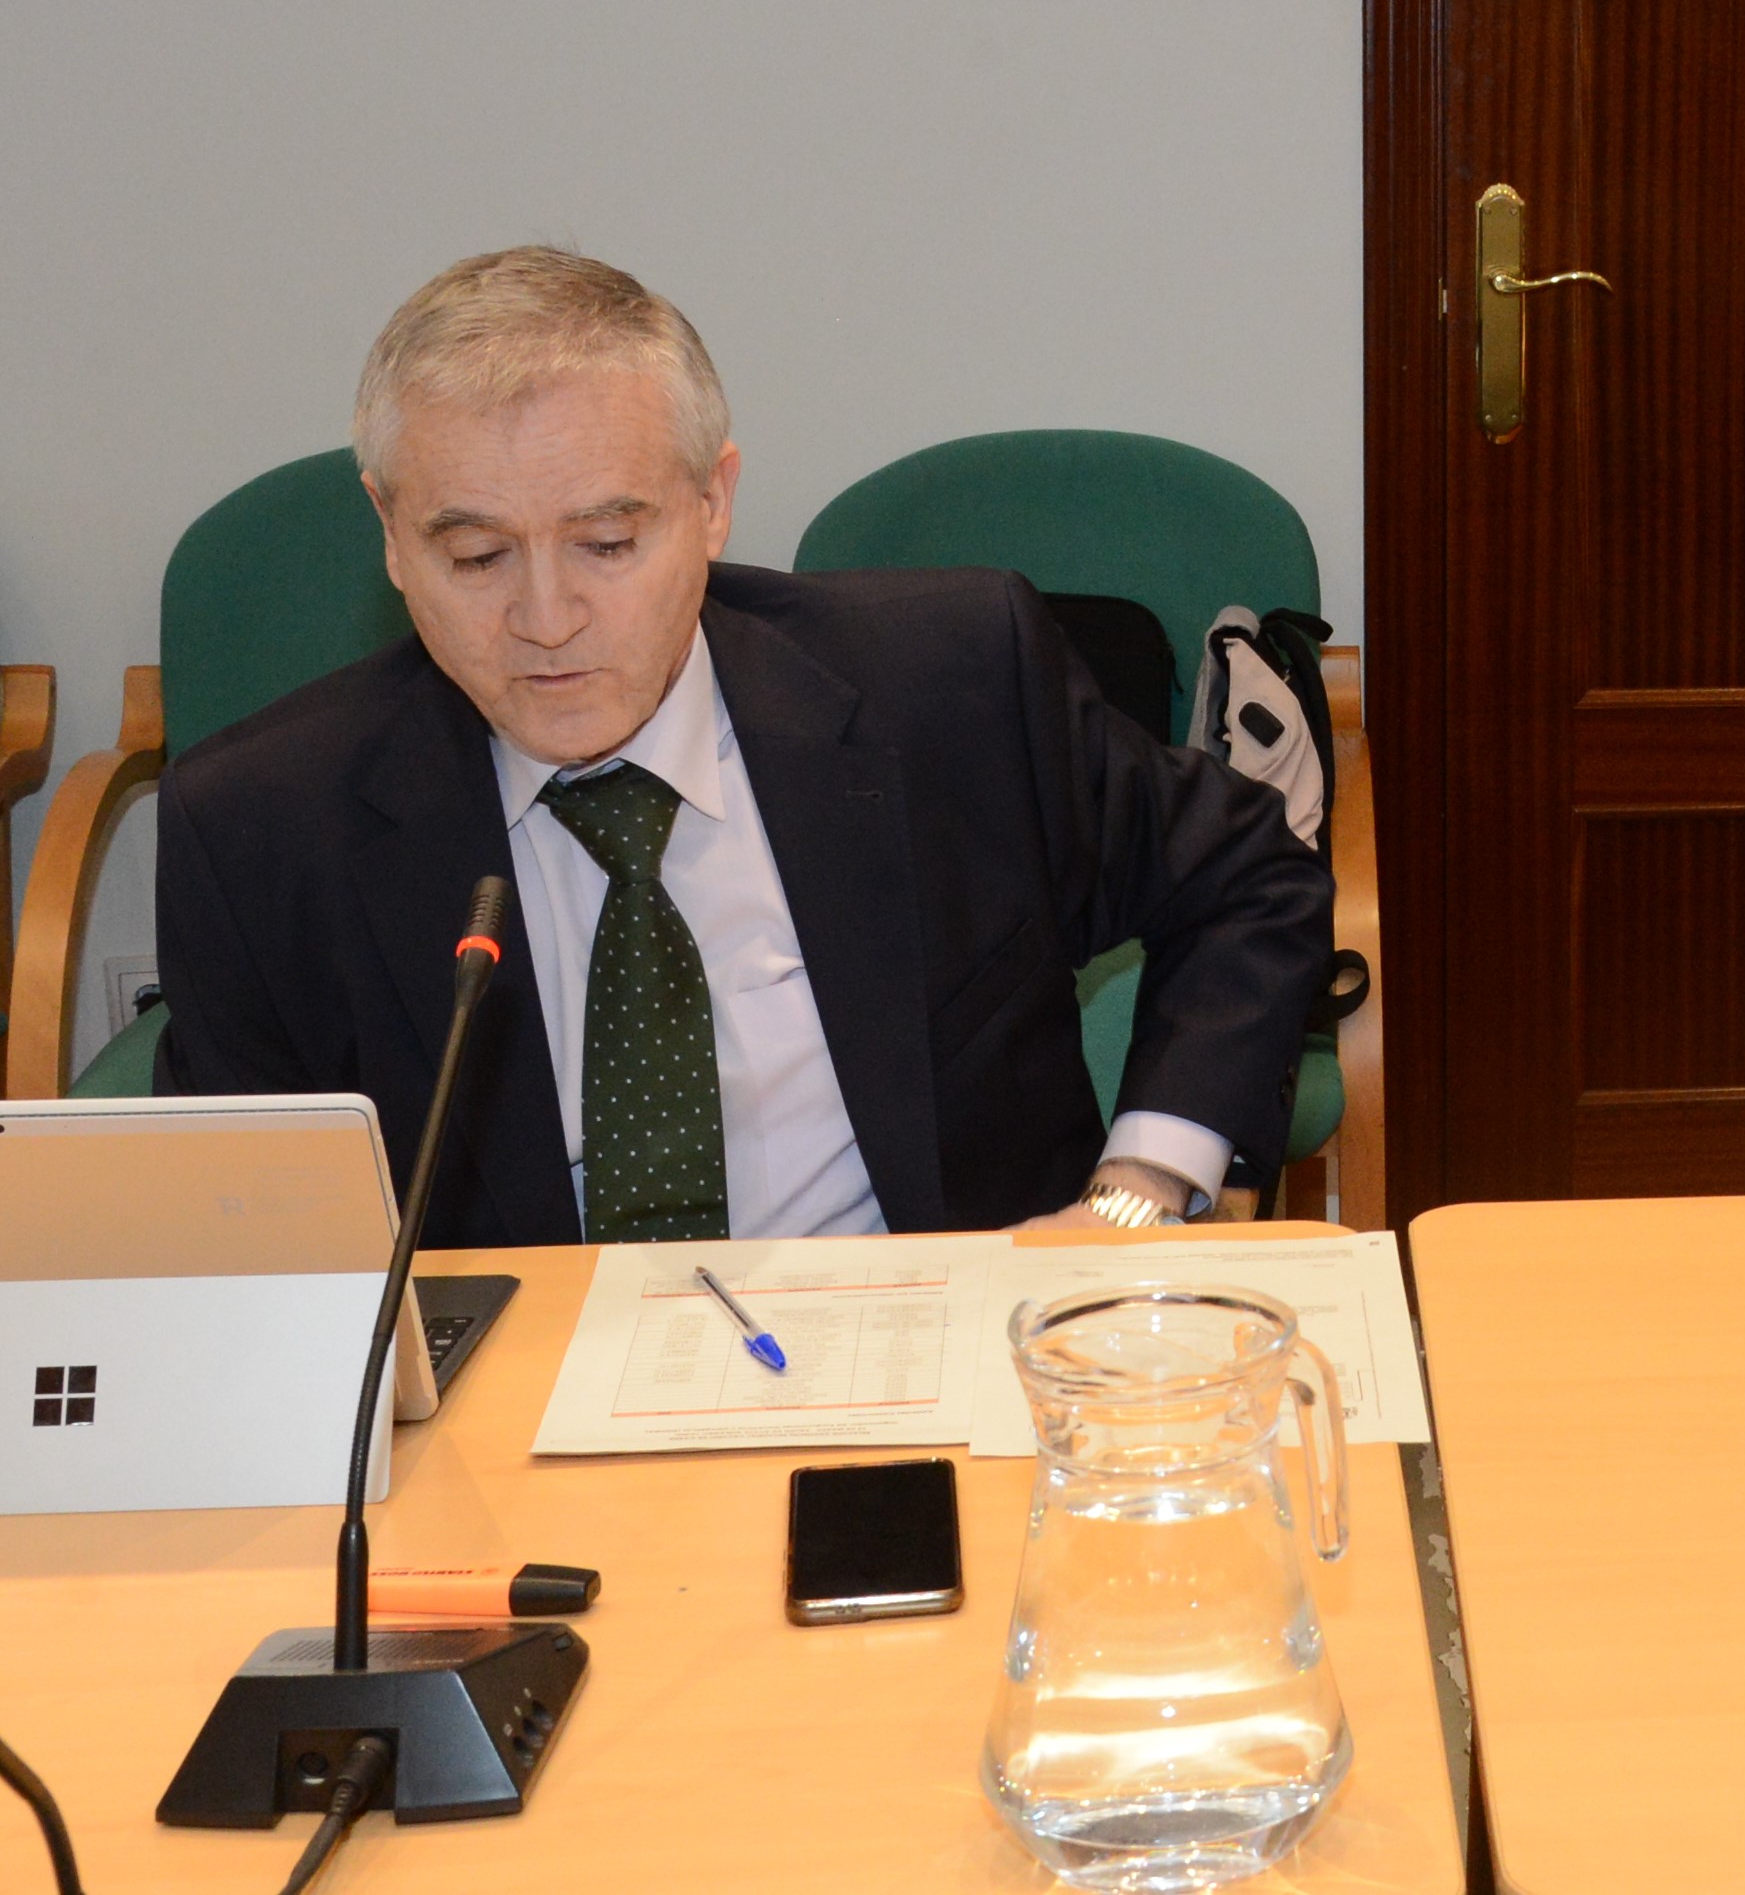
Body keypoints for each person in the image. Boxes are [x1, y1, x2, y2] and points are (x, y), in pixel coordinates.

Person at [154, 247, 1333, 1247]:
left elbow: (1245, 877)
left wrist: (1138, 1194)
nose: (547, 618)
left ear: (712, 502)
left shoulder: (950, 687)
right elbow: (237, 1244)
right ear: (389, 534)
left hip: (928, 1347)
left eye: (607, 544)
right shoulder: (261, 827)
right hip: (515, 1392)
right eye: (477, 557)